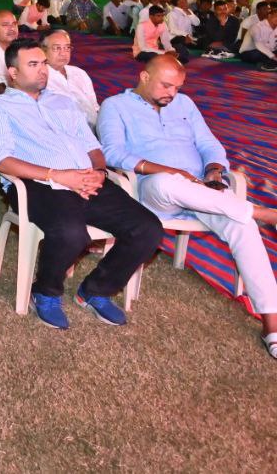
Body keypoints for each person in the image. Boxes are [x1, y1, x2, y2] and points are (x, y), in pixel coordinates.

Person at [0, 38, 162, 329]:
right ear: (13, 72)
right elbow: (1, 161)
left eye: (43, 63)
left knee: (148, 228)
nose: (42, 70)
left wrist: (99, 172)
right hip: (38, 184)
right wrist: (58, 176)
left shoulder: (63, 103)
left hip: (87, 178)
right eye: (33, 64)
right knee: (71, 233)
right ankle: (45, 292)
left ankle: (96, 290)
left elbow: (92, 146)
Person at [98, 54, 277, 358]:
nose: (173, 93)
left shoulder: (184, 104)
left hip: (202, 191)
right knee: (167, 183)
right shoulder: (115, 106)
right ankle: (261, 212)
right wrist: (168, 171)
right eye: (166, 85)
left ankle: (272, 325)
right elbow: (112, 153)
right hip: (154, 192)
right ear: (144, 77)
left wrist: (214, 171)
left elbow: (209, 143)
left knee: (243, 226)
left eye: (178, 87)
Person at [42, 29, 99, 126]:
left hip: (95, 127)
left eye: (67, 48)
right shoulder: (40, 78)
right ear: (43, 50)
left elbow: (95, 107)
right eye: (57, 48)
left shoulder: (79, 73)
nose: (63, 53)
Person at [237, 5, 277, 71]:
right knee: (257, 54)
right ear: (269, 16)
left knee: (268, 54)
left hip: (269, 51)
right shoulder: (257, 27)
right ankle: (267, 64)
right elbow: (259, 45)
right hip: (250, 52)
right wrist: (273, 56)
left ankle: (268, 64)